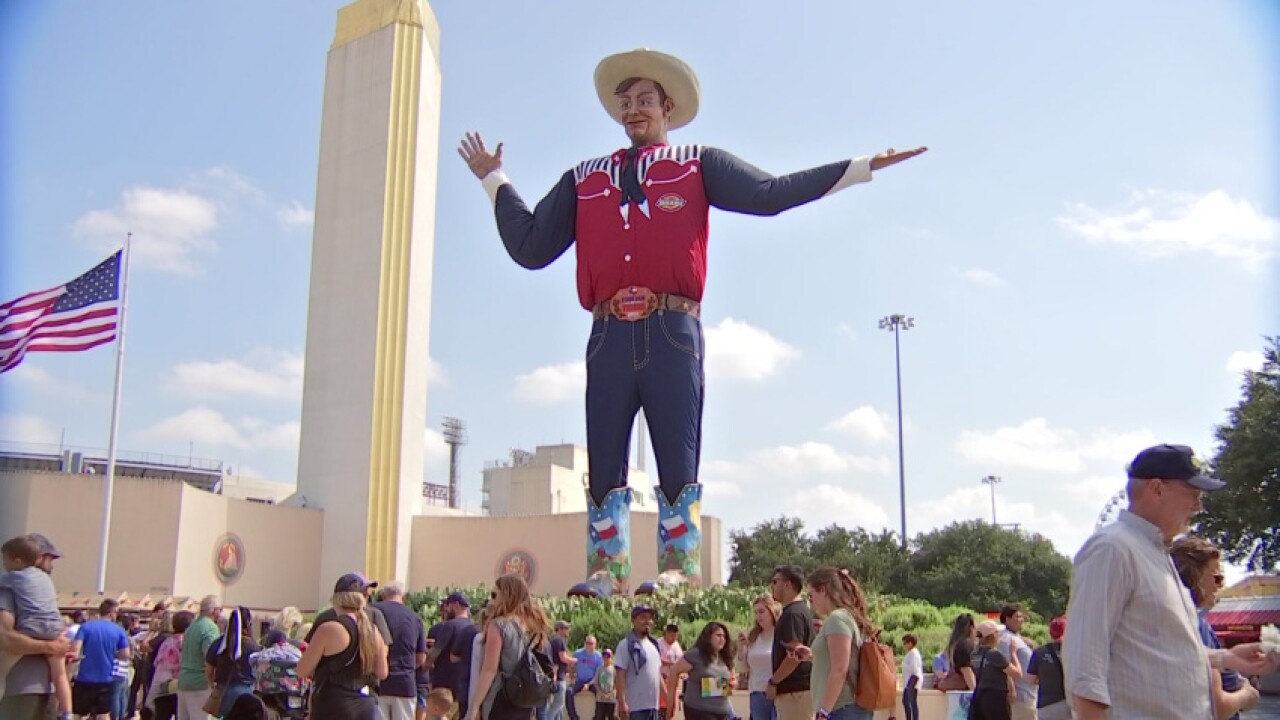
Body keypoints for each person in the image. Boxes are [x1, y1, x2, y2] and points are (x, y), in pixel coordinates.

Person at [458, 49, 926, 596]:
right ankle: (607, 571)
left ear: (668, 108)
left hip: (672, 329)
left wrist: (860, 167)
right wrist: (494, 180)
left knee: (677, 452)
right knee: (605, 455)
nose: (634, 110)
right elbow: (531, 247)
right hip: (608, 331)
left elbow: (767, 195)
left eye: (645, 101)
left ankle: (677, 569)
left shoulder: (696, 163)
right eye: (625, 102)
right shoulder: (586, 179)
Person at [1064, 444, 1278, 719]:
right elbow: (1085, 666)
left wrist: (1226, 659)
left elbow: (1157, 655)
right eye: (1193, 493)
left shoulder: (1151, 551)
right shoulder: (1113, 549)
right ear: (1157, 489)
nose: (1199, 505)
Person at [1170, 536, 1261, 719]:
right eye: (1217, 578)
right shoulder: (1197, 625)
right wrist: (1248, 694)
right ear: (1195, 577)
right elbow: (1218, 707)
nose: (1220, 585)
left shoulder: (1158, 622)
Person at [298, 575, 390, 720]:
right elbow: (382, 673)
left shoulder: (329, 629)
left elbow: (302, 670)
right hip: (365, 704)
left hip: (333, 705)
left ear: (336, 600)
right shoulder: (373, 631)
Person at [0, 536, 73, 719]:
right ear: (39, 557)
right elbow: (5, 636)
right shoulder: (10, 590)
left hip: (44, 692)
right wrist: (51, 646)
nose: (52, 565)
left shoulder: (20, 582)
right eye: (50, 558)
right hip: (20, 690)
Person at [788, 568, 876, 720]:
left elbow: (840, 669)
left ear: (823, 590)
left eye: (811, 596)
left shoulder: (837, 619)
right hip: (846, 708)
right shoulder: (847, 617)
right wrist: (810, 656)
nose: (811, 602)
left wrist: (824, 712)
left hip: (841, 708)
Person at [468, 574, 553, 720]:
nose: (492, 600)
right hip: (525, 699)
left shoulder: (499, 625)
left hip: (501, 697)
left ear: (506, 595)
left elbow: (490, 669)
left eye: (495, 595)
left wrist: (475, 706)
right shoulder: (533, 626)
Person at [374, 580, 430, 720]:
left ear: (382, 594)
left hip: (376, 682)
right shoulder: (415, 618)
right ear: (403, 596)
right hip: (405, 683)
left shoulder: (372, 611)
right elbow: (421, 658)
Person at [764, 565, 812, 720]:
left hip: (796, 693)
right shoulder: (796, 611)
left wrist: (773, 681)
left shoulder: (793, 614)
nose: (772, 586)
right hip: (797, 693)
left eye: (774, 581)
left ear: (787, 585)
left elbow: (794, 655)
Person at [72, 598, 131, 720]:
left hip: (84, 678)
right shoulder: (119, 630)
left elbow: (74, 650)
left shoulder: (85, 627)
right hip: (106, 679)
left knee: (78, 714)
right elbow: (125, 654)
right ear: (112, 613)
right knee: (103, 714)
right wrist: (111, 653)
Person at [663, 622, 736, 720]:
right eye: (718, 635)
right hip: (699, 710)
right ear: (708, 637)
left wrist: (731, 684)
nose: (722, 639)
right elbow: (674, 671)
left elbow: (730, 682)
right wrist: (670, 703)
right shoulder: (695, 655)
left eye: (724, 636)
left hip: (723, 710)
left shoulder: (725, 657)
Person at [428, 592, 480, 719]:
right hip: (464, 685)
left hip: (444, 684)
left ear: (456, 605)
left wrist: (426, 664)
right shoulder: (474, 627)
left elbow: (436, 651)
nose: (446, 608)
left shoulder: (449, 625)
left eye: (448, 605)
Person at [306, 573, 393, 646]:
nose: (368, 594)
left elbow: (384, 647)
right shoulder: (326, 617)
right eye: (364, 590)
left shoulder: (375, 614)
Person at [205, 606, 261, 716]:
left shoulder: (218, 644)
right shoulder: (254, 647)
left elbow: (208, 671)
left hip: (223, 692)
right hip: (246, 694)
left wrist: (213, 686)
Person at [176, 594, 222, 720]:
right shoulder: (210, 628)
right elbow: (210, 657)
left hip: (184, 681)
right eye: (220, 609)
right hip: (200, 683)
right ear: (214, 610)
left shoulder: (192, 627)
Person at [614, 604, 663, 720]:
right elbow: (620, 675)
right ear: (633, 620)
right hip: (635, 708)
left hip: (653, 707)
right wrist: (622, 703)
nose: (647, 621)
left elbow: (657, 674)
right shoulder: (625, 645)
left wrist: (667, 698)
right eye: (643, 618)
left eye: (649, 618)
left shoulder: (654, 646)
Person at [970, 620, 1021, 720]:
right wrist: (1014, 654)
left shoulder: (974, 655)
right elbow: (1017, 673)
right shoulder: (994, 654)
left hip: (979, 698)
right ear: (992, 636)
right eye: (998, 633)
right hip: (996, 699)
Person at [148, 611, 193, 720]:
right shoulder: (187, 641)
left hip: (161, 686)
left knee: (161, 715)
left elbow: (157, 664)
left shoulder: (167, 641)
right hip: (179, 684)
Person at [995, 604, 1036, 720]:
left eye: (1022, 617)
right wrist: (1012, 690)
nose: (1021, 620)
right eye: (1017, 617)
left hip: (1028, 695)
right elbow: (1005, 666)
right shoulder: (1005, 639)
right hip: (1020, 697)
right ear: (1007, 619)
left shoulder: (1015, 637)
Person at [742, 596, 779, 720]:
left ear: (772, 611)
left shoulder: (780, 634)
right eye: (756, 613)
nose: (759, 616)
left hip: (778, 692)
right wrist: (741, 648)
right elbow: (744, 668)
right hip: (757, 692)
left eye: (762, 611)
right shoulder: (753, 636)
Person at [1025, 618, 1067, 720]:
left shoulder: (1039, 652)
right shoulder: (1073, 651)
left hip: (1046, 703)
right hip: (1070, 702)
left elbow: (1030, 679)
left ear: (1050, 632)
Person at [545, 620, 576, 720]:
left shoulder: (551, 640)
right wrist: (575, 660)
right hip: (559, 676)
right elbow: (563, 657)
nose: (568, 631)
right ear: (560, 629)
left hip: (552, 676)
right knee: (558, 704)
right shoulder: (559, 640)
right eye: (566, 628)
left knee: (558, 708)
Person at [937, 614, 977, 692]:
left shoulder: (955, 645)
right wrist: (975, 693)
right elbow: (967, 671)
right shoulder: (965, 645)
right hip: (965, 692)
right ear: (971, 628)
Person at [568, 635, 604, 720]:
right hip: (579, 681)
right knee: (569, 692)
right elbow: (570, 665)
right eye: (587, 643)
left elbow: (598, 674)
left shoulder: (598, 656)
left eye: (591, 643)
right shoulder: (578, 653)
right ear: (584, 643)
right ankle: (574, 717)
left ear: (595, 645)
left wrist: (588, 684)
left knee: (600, 693)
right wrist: (572, 677)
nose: (589, 645)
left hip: (592, 682)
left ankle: (597, 717)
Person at [900, 634, 923, 720]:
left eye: (905, 643)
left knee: (911, 702)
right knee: (906, 701)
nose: (904, 645)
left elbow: (914, 667)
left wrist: (903, 664)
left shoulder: (913, 653)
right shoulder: (911, 653)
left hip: (912, 679)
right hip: (910, 680)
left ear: (910, 643)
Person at [593, 649, 617, 720]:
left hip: (611, 699)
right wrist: (601, 693)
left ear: (611, 658)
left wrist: (610, 693)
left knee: (611, 716)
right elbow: (596, 683)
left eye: (608, 657)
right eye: (604, 657)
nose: (606, 659)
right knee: (600, 717)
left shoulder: (614, 669)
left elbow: (617, 683)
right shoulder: (599, 669)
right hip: (600, 699)